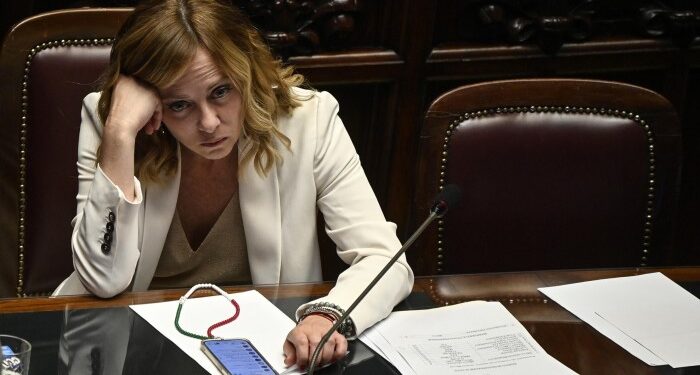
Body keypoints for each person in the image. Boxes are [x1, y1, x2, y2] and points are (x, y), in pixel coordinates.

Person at [52, 0, 414, 370]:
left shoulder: (308, 120)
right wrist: (120, 133)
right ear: (152, 104)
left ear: (247, 73)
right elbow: (102, 281)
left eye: (221, 91)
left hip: (261, 353)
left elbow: (383, 258)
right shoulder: (115, 125)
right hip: (128, 349)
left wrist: (326, 315)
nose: (209, 123)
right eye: (180, 105)